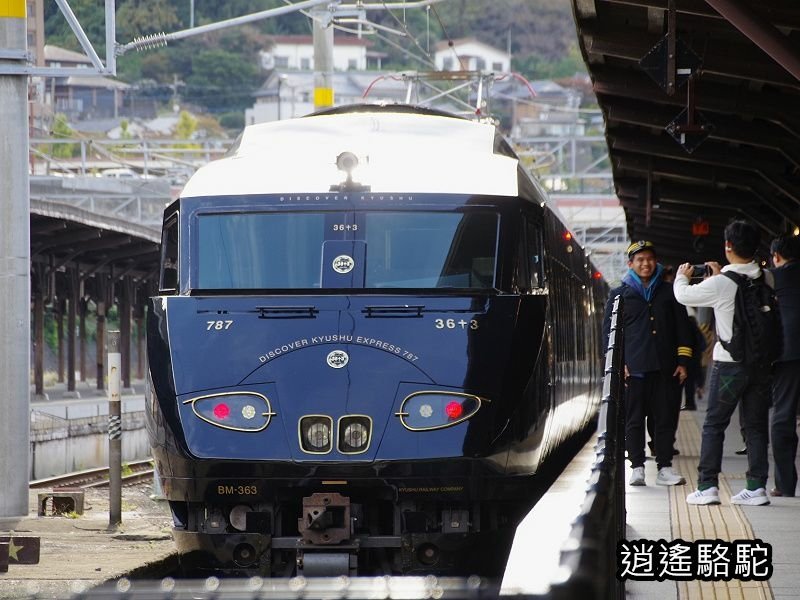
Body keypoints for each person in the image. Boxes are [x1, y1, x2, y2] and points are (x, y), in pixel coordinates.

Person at [674, 220, 773, 506]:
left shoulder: (720, 283)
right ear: (755, 248)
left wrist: (683, 275)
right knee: (755, 426)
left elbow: (683, 295)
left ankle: (707, 487)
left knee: (714, 425)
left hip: (729, 366)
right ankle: (756, 487)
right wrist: (720, 276)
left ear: (728, 246)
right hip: (760, 365)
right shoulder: (767, 278)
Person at [603, 240, 691, 487]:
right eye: (640, 260)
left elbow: (683, 329)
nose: (646, 264)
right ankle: (638, 467)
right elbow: (609, 335)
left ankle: (664, 468)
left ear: (656, 262)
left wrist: (683, 361)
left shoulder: (669, 292)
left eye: (649, 259)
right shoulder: (619, 295)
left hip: (665, 369)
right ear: (630, 264)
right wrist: (618, 365)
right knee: (633, 421)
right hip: (634, 371)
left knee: (664, 420)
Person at [768, 233, 800, 497]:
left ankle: (785, 484)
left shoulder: (772, 278)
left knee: (783, 418)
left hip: (788, 354)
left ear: (776, 257)